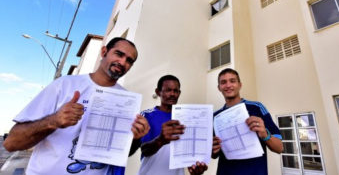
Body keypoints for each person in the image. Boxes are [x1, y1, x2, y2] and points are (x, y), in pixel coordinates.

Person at [3, 37, 150, 175]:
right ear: (104, 52)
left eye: (129, 60)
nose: (122, 62)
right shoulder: (64, 85)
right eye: (118, 54)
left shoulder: (126, 101)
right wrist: (54, 121)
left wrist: (136, 138)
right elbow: (11, 143)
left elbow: (119, 154)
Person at [112, 75, 208, 175]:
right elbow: (144, 150)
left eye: (176, 91)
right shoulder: (146, 115)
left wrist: (195, 166)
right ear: (158, 92)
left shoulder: (186, 118)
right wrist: (161, 140)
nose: (172, 94)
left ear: (179, 93)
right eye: (168, 90)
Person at [212, 68, 283, 175]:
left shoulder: (257, 107)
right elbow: (214, 155)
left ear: (240, 85)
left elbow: (279, 148)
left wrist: (265, 134)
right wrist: (212, 149)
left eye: (232, 81)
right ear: (219, 88)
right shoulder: (216, 117)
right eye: (223, 82)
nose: (228, 85)